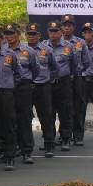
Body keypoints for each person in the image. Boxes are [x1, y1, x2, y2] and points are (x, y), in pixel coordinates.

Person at [3, 23, 38, 164]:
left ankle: (27, 151)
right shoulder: (2, 50)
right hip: (7, 88)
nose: (9, 36)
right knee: (8, 120)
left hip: (23, 87)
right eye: (7, 34)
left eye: (12, 33)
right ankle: (10, 150)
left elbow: (35, 70)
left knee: (24, 119)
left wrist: (26, 83)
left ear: (18, 34)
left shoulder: (28, 51)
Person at [0, 26, 20, 172]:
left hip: (6, 93)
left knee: (9, 125)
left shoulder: (10, 54)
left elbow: (18, 73)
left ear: (2, 39)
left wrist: (10, 86)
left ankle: (10, 157)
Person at [44, 20, 78, 151]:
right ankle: (50, 139)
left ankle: (65, 139)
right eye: (51, 31)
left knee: (65, 112)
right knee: (48, 112)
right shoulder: (42, 47)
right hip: (48, 84)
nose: (53, 34)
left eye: (56, 31)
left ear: (61, 32)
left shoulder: (69, 47)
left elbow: (75, 65)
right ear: (48, 32)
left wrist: (69, 76)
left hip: (64, 82)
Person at [26, 22, 58, 157]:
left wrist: (48, 80)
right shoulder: (21, 50)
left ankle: (49, 144)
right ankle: (26, 146)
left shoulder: (47, 50)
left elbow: (55, 68)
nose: (31, 36)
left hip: (43, 86)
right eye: (29, 34)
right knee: (25, 116)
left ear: (39, 35)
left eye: (34, 34)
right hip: (27, 87)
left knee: (46, 116)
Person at [61, 14, 87, 146]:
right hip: (62, 79)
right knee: (64, 107)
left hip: (77, 78)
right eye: (64, 26)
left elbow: (86, 61)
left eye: (69, 26)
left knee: (78, 106)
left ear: (73, 27)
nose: (67, 28)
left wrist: (79, 71)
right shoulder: (55, 43)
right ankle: (64, 135)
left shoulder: (80, 42)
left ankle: (78, 135)